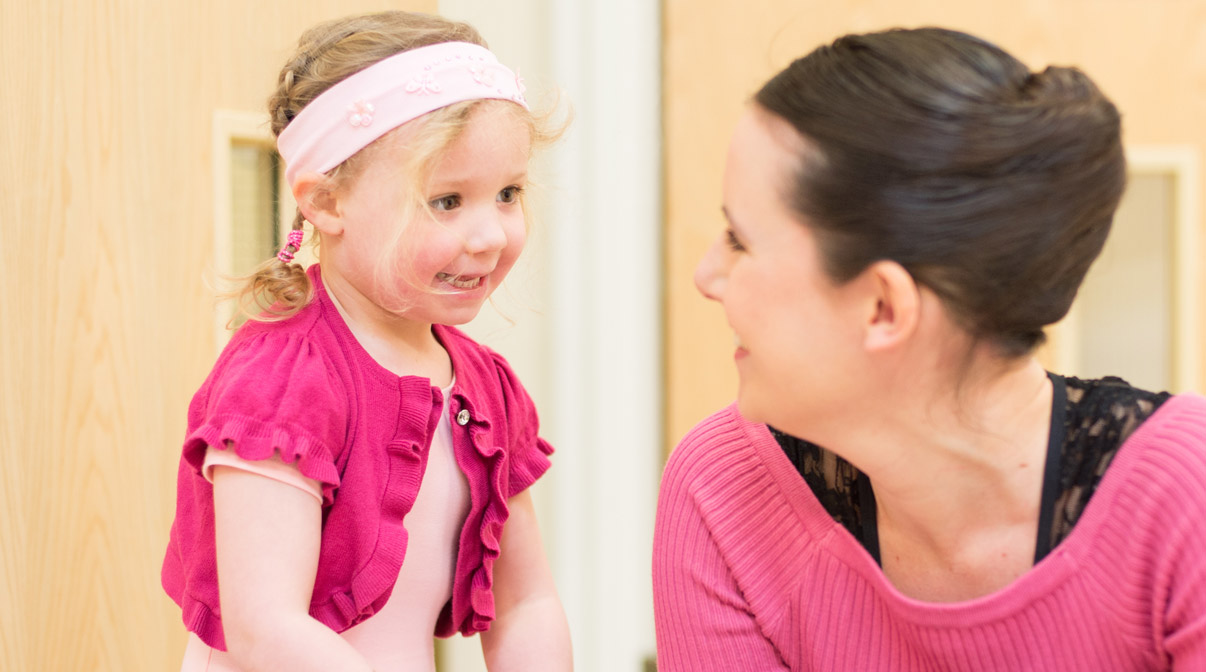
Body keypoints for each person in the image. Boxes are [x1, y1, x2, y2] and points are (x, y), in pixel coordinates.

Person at [653, 27, 1206, 671]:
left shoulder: (1184, 498)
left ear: (884, 308)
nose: (706, 276)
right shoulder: (722, 490)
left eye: (739, 240)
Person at [161, 11, 571, 672]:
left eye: (507, 193)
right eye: (446, 201)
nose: (490, 235)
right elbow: (267, 627)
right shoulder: (281, 384)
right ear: (325, 202)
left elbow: (527, 605)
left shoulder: (485, 387)